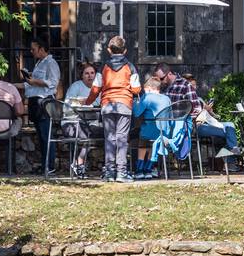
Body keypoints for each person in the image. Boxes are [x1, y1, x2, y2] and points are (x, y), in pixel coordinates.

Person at [154, 63, 241, 172]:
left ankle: (229, 157)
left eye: (161, 78)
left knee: (229, 128)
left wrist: (194, 116)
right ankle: (230, 157)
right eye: (158, 79)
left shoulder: (185, 85)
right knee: (229, 129)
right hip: (175, 126)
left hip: (189, 125)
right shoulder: (162, 88)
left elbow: (195, 108)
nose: (160, 81)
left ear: (169, 74)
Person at [84, 35, 141, 182]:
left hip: (107, 105)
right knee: (122, 138)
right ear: (125, 50)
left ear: (109, 50)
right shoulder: (130, 66)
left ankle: (109, 172)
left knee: (109, 138)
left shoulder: (103, 67)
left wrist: (88, 102)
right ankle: (121, 172)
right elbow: (136, 89)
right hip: (124, 104)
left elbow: (96, 88)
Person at [20, 39, 61, 175]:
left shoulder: (51, 63)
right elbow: (31, 84)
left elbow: (53, 83)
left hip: (44, 102)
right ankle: (44, 165)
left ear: (42, 49)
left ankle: (50, 166)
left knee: (46, 135)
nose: (31, 52)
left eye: (33, 49)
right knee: (40, 136)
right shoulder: (38, 63)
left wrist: (35, 81)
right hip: (35, 100)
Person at [62, 61, 99, 179]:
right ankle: (79, 164)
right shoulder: (76, 87)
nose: (90, 76)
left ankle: (79, 163)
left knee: (105, 131)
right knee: (87, 134)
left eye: (92, 73)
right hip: (72, 122)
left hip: (91, 122)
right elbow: (66, 107)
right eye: (86, 73)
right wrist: (80, 103)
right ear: (82, 75)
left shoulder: (98, 89)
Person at [132, 76, 173, 179]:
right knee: (152, 143)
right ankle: (149, 170)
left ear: (149, 88)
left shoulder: (147, 97)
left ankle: (140, 170)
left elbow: (137, 113)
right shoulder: (167, 98)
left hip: (149, 131)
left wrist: (135, 103)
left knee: (143, 141)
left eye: (145, 90)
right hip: (163, 133)